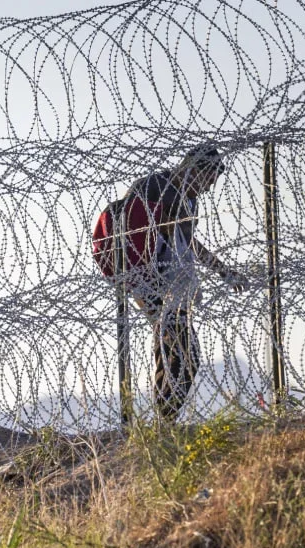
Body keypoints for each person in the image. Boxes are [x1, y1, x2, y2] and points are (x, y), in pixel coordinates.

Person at [122, 145, 247, 420]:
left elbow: (188, 243)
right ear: (192, 169)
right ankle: (165, 418)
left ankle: (165, 418)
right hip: (148, 280)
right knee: (179, 349)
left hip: (175, 285)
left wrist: (223, 271)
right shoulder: (153, 186)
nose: (206, 189)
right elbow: (128, 231)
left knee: (177, 350)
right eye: (207, 180)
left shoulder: (189, 201)